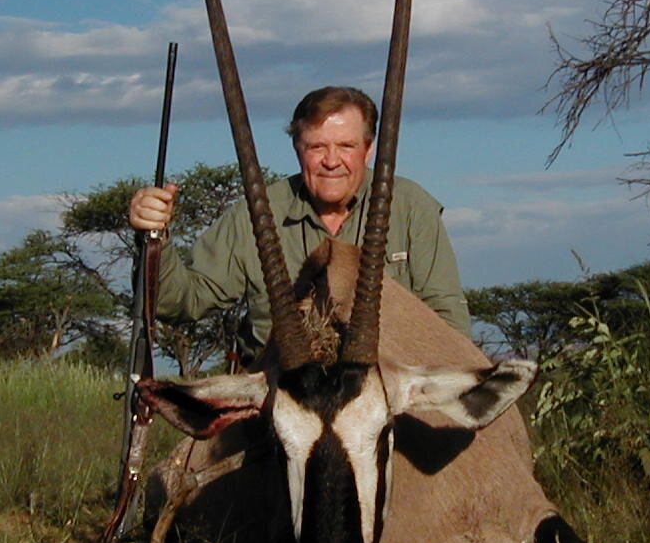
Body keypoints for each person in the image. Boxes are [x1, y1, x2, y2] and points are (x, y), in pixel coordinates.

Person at [128, 85, 470, 361]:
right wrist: (154, 238)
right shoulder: (255, 213)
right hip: (274, 396)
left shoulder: (412, 207)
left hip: (381, 397)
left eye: (346, 146)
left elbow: (449, 325)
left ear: (368, 150)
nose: (332, 161)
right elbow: (181, 302)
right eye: (316, 147)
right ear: (297, 148)